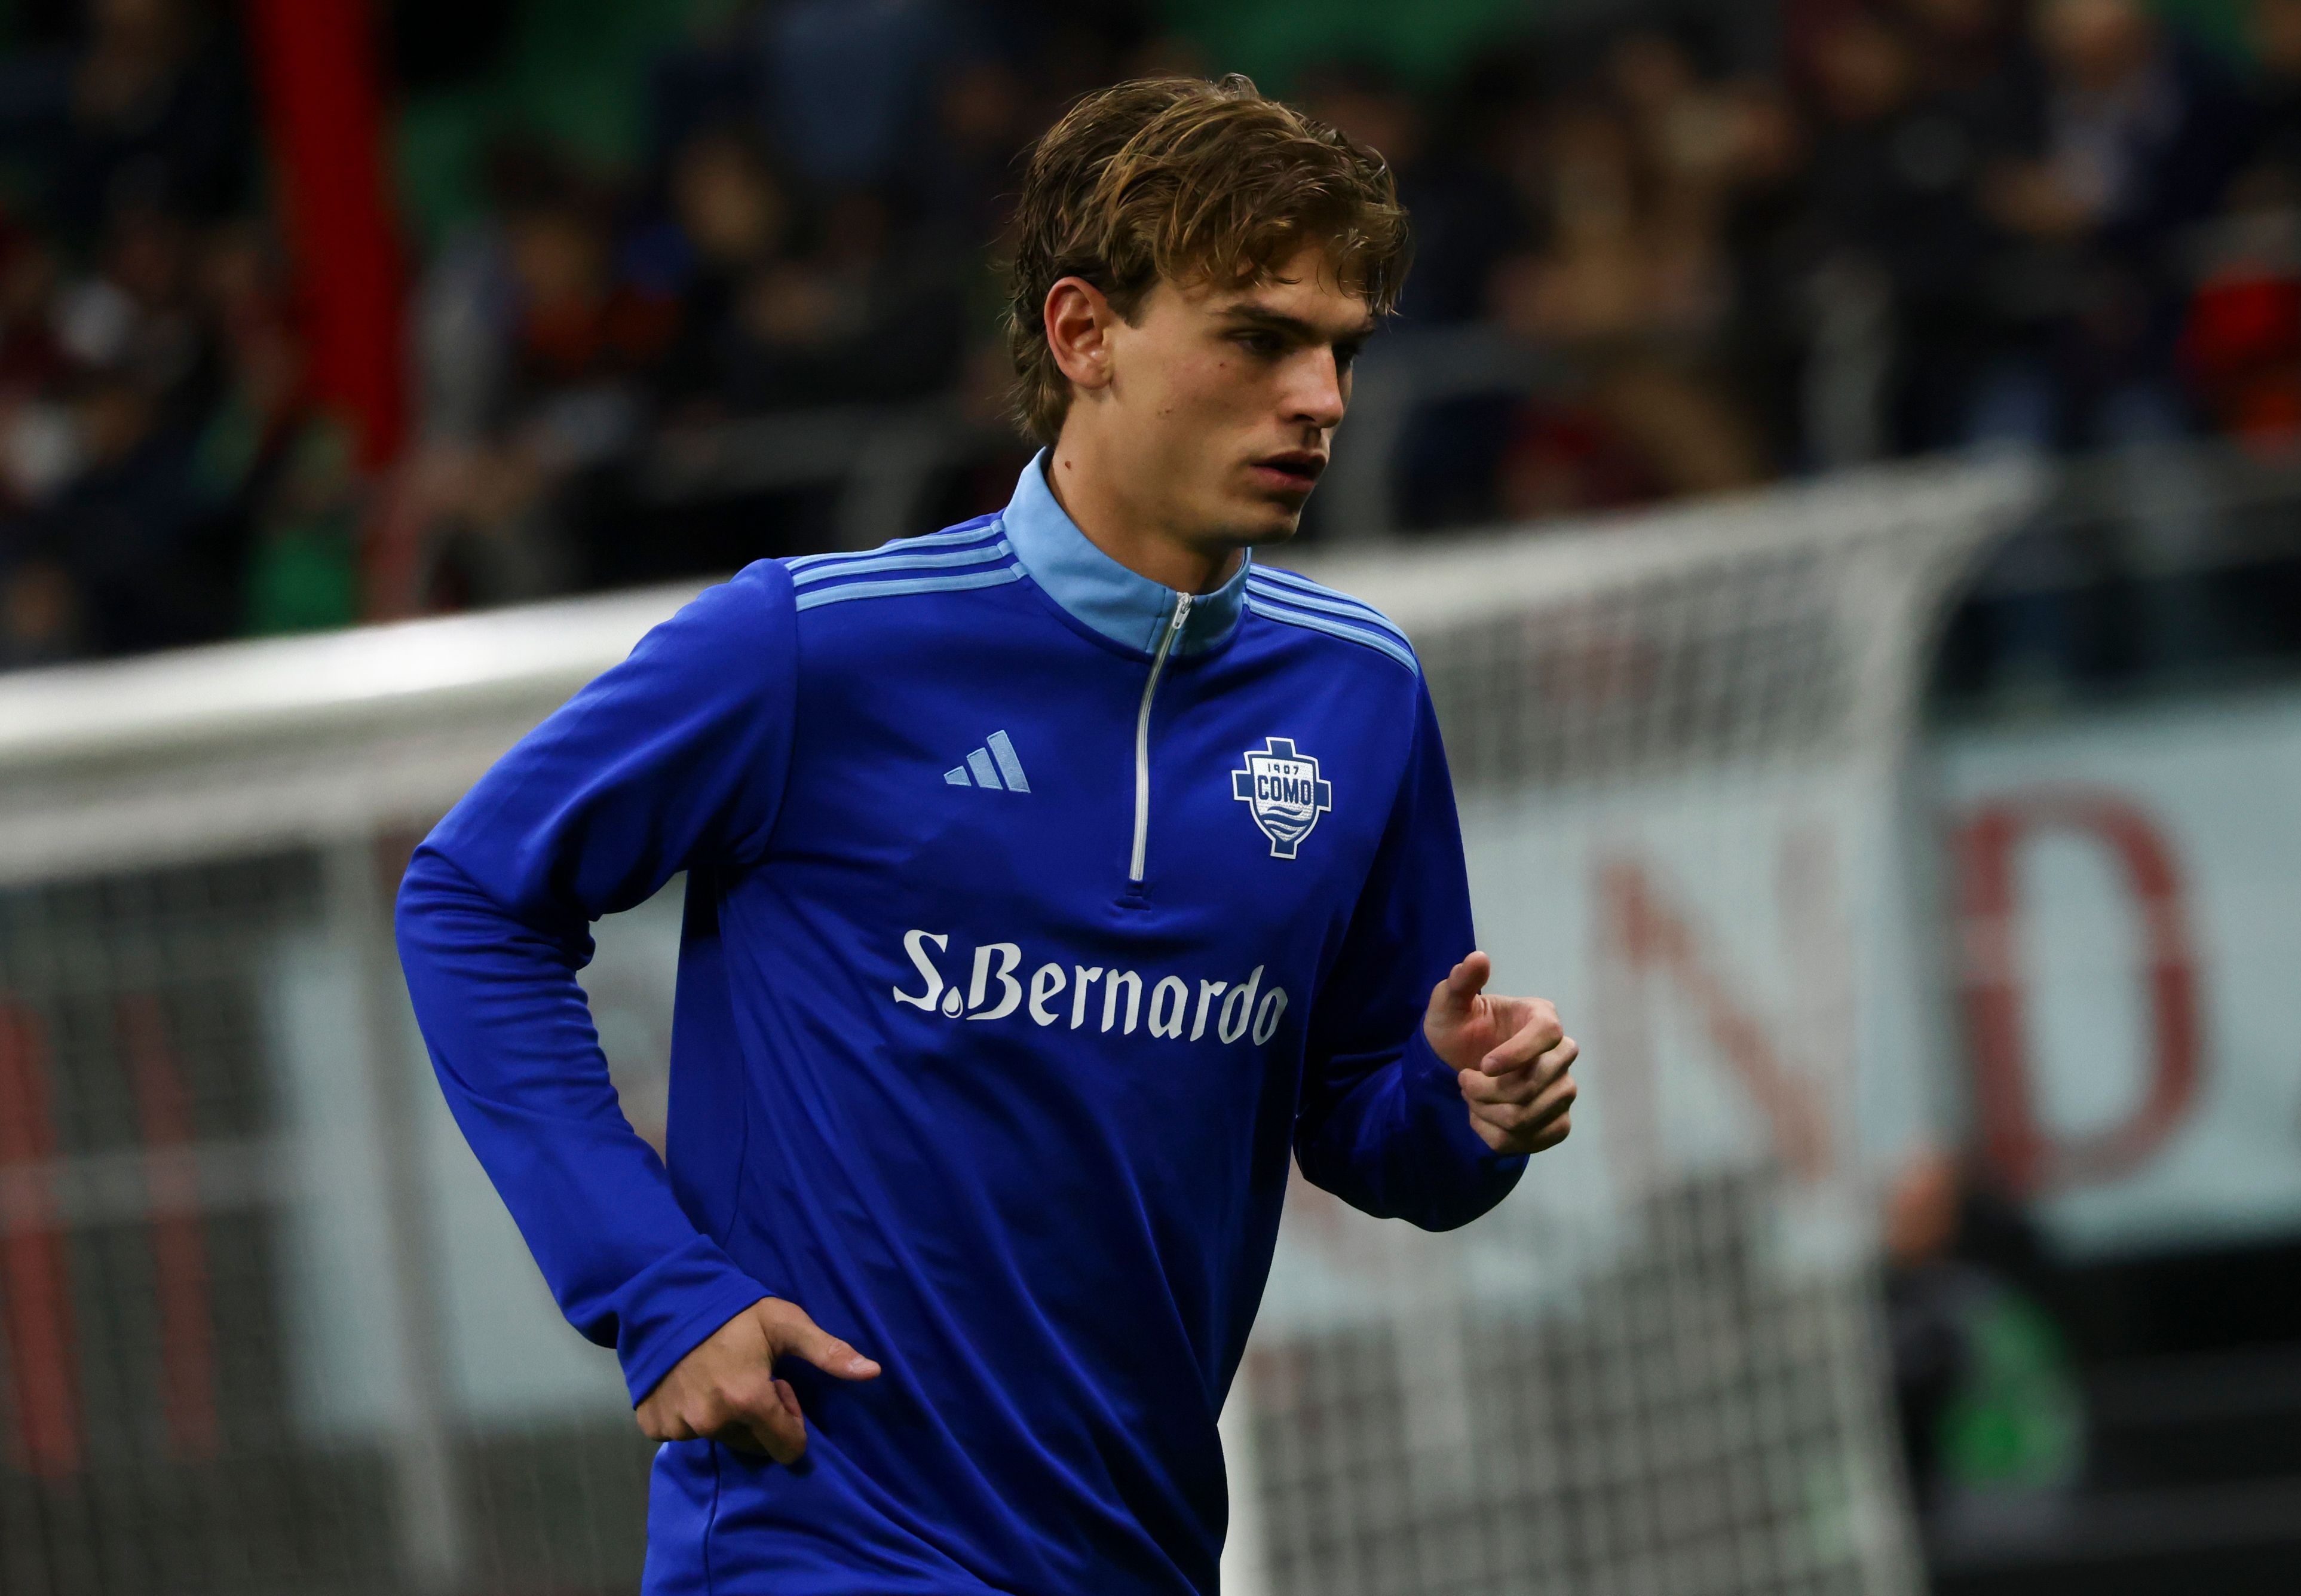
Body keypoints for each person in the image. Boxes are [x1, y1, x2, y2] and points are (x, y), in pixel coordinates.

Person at [394, 75, 1580, 1594]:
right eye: (1258, 339)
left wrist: (1465, 1109)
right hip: (821, 1538)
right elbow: (471, 901)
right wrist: (655, 1284)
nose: (1321, 400)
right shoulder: (813, 648)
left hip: (1137, 1547)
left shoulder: (1360, 697)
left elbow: (1364, 1115)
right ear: (1083, 334)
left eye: (1339, 350)